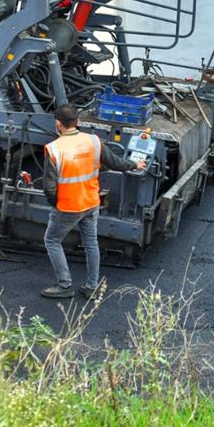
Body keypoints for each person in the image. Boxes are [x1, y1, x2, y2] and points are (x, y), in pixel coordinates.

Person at [40, 103, 145, 300]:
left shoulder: (54, 149)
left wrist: (56, 204)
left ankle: (65, 285)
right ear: (78, 122)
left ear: (57, 124)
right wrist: (135, 164)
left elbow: (49, 187)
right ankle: (91, 286)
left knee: (52, 240)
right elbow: (115, 162)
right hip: (91, 201)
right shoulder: (93, 141)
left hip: (68, 206)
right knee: (91, 242)